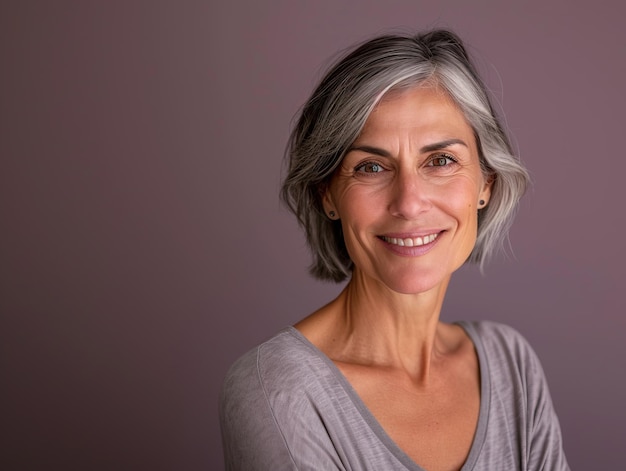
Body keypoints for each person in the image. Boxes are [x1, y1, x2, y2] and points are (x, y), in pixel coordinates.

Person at [219, 29, 569, 470]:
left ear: (486, 183)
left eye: (440, 161)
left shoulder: (510, 363)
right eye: (371, 166)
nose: (408, 202)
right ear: (327, 195)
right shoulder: (277, 388)